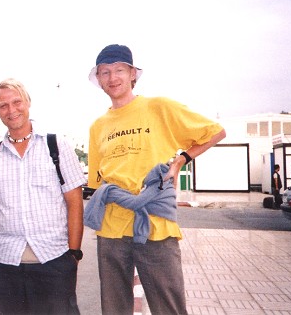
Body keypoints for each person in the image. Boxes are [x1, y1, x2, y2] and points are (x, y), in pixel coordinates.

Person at [85, 44, 226, 315]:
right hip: (112, 227)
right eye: (105, 72)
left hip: (155, 223)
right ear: (99, 80)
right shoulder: (97, 126)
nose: (112, 78)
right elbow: (96, 182)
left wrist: (182, 159)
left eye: (119, 70)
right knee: (114, 309)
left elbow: (215, 132)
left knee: (169, 307)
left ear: (132, 75)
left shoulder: (158, 107)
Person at [0, 78, 85, 314]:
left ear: (28, 103)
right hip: (3, 265)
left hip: (53, 261)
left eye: (17, 102)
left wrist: (73, 255)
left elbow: (74, 203)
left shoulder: (57, 146)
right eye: (3, 106)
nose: (11, 110)